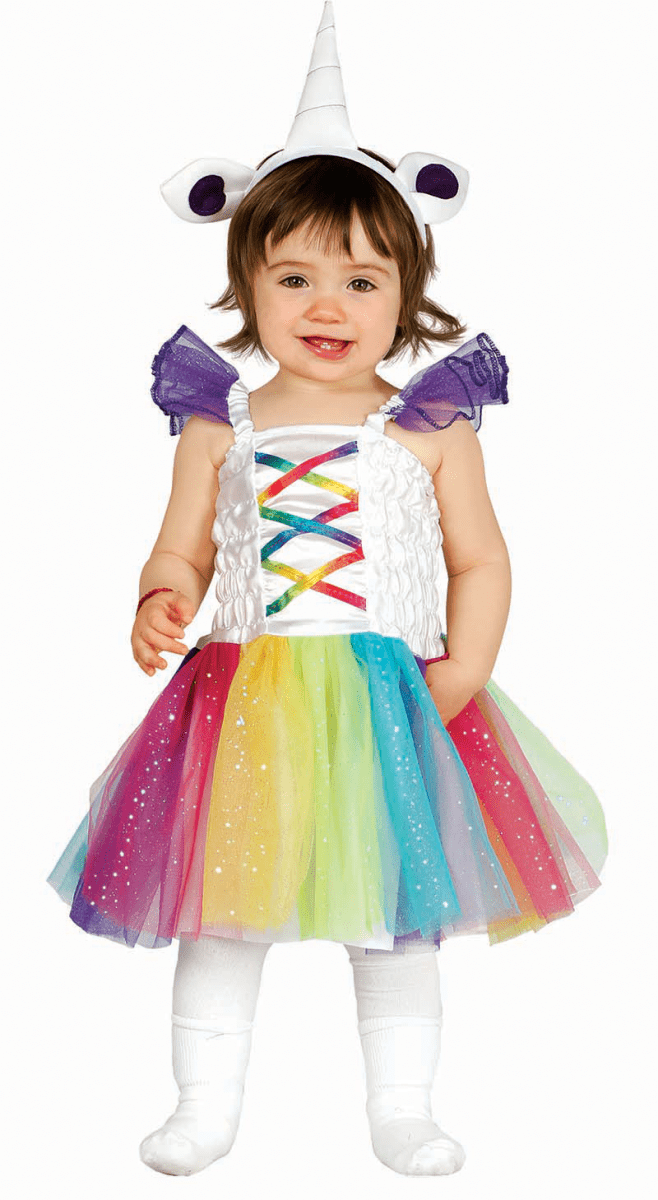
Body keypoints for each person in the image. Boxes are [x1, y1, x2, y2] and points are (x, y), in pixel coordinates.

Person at [47, 2, 607, 1179]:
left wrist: (466, 666)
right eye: (293, 276)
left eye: (360, 279)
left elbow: (482, 558)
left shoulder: (430, 424)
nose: (325, 305)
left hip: (392, 695)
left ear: (408, 290)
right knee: (219, 913)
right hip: (244, 699)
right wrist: (158, 597)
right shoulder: (219, 422)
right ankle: (203, 1106)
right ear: (245, 284)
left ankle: (403, 1109)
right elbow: (180, 549)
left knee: (396, 923)